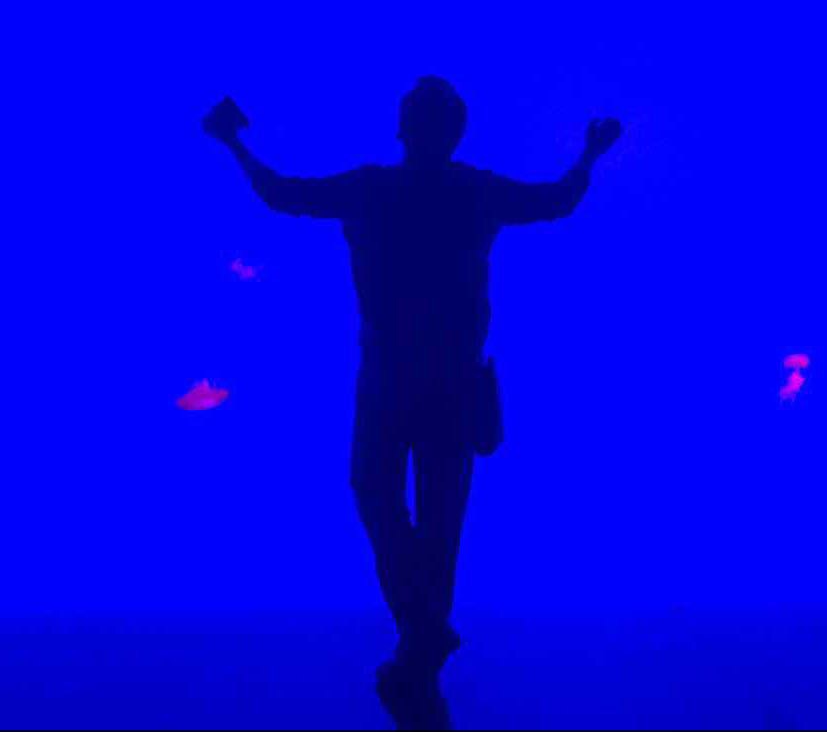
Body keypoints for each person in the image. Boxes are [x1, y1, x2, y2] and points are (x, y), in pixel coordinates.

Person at [203, 77, 621, 728]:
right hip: (447, 380)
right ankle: (422, 636)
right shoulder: (471, 191)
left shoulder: (373, 189)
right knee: (438, 515)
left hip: (390, 379)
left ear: (405, 129)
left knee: (383, 496)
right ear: (454, 132)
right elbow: (557, 200)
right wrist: (589, 154)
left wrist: (233, 144)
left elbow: (280, 192)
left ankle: (420, 635)